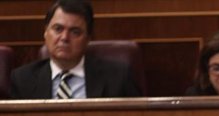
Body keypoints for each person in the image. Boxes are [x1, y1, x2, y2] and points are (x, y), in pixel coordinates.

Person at [10, 0, 141, 99]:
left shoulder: (117, 77)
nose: (64, 38)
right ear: (45, 32)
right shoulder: (22, 80)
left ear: (88, 38)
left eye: (75, 32)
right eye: (58, 29)